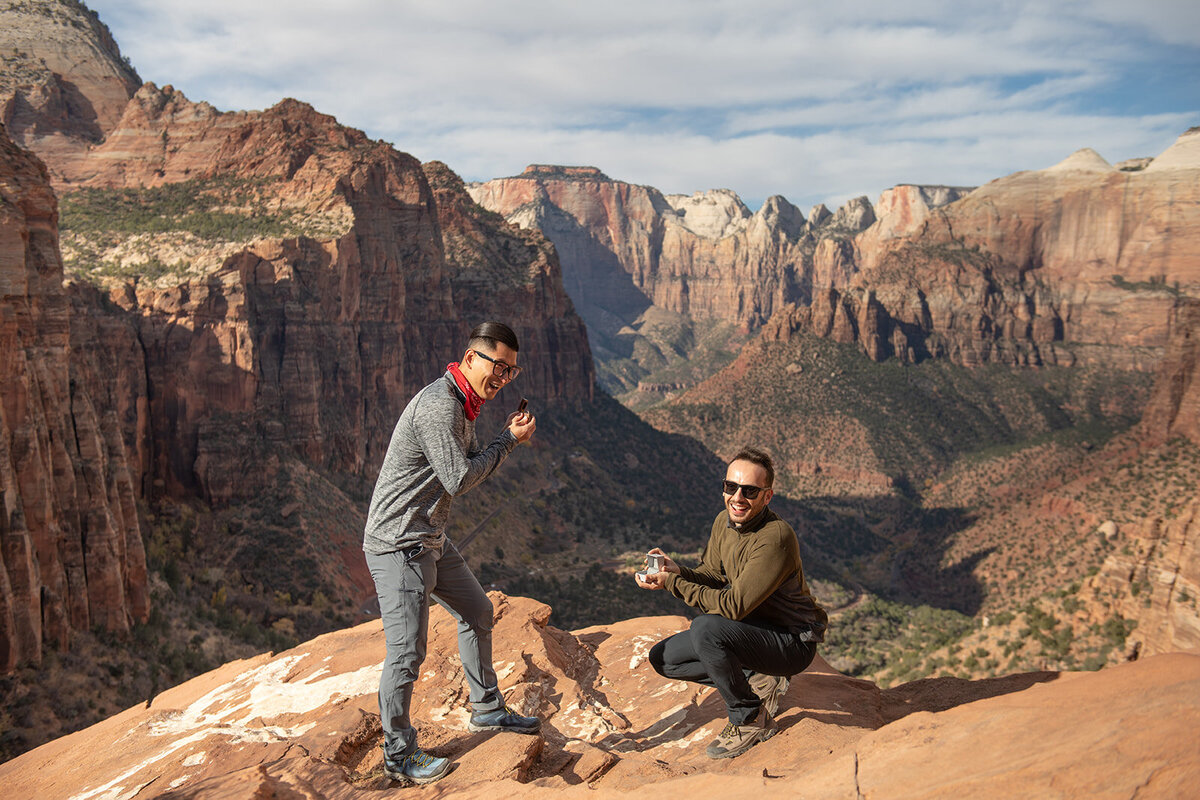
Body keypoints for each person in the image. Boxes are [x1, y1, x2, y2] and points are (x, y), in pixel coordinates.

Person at [363, 321, 540, 785]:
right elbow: (459, 479)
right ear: (469, 357)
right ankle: (398, 754)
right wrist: (509, 442)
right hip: (400, 543)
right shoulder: (441, 407)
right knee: (406, 652)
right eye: (497, 366)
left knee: (479, 612)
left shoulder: (465, 403)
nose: (503, 377)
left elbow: (472, 461)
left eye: (512, 371)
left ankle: (486, 710)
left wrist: (502, 438)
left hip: (430, 538)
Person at [636, 446, 827, 760]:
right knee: (664, 659)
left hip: (790, 642)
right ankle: (759, 677)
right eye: (730, 487)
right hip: (751, 630)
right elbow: (712, 573)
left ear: (767, 496)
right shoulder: (723, 523)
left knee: (706, 629)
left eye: (750, 490)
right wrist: (675, 570)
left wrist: (672, 583)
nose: (738, 497)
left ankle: (749, 718)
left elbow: (733, 607)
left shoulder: (774, 537)